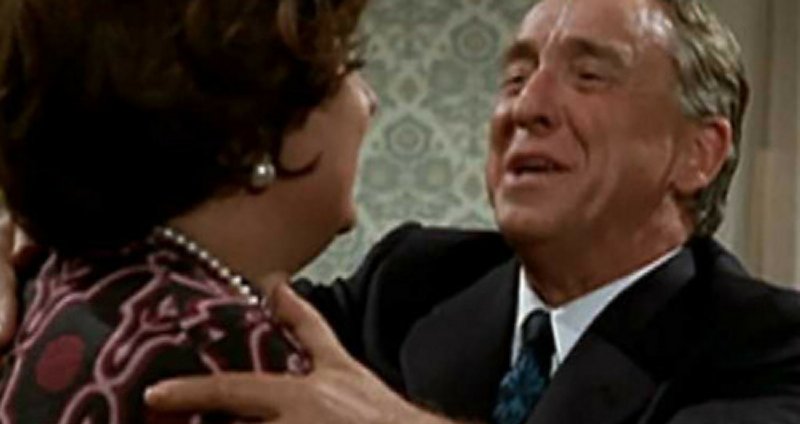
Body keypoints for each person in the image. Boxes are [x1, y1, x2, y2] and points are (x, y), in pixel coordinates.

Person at [3, 0, 800, 423]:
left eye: (589, 75)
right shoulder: (415, 277)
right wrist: (47, 224)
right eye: (515, 76)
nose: (526, 108)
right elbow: (189, 295)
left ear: (698, 152)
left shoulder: (771, 346)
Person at [0, 0, 387, 422]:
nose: (370, 100)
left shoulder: (62, 281)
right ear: (251, 136)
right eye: (345, 69)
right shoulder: (221, 352)